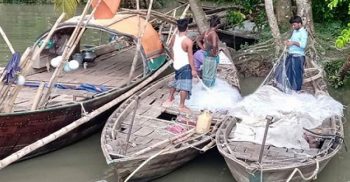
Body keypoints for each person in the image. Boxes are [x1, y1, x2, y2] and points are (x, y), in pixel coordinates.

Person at [163, 18, 197, 113]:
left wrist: (174, 58)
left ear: (178, 28)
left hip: (176, 64)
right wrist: (193, 70)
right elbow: (190, 57)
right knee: (185, 86)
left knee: (176, 80)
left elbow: (170, 48)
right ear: (187, 28)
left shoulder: (174, 37)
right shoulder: (188, 41)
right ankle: (181, 106)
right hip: (185, 66)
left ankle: (170, 98)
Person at [284, 15, 308, 91]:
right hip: (291, 55)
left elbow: (303, 45)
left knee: (297, 74)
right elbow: (291, 39)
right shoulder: (295, 31)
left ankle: (297, 91)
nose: (293, 26)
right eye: (292, 25)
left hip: (298, 57)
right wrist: (288, 41)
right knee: (289, 73)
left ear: (299, 24)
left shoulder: (303, 33)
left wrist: (293, 43)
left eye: (294, 25)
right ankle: (289, 89)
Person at [196, 15, 221, 87]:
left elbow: (197, 40)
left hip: (206, 54)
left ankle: (205, 88)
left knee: (206, 73)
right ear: (217, 25)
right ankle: (210, 88)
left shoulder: (206, 32)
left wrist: (203, 48)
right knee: (211, 74)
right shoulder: (213, 33)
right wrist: (215, 53)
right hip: (212, 56)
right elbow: (214, 45)